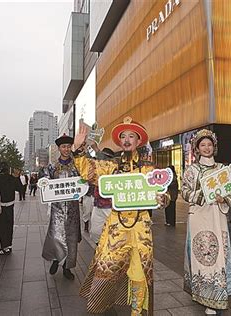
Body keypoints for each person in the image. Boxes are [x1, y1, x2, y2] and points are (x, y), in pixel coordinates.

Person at [73, 117, 169, 315]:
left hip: (141, 228)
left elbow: (165, 193)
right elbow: (88, 171)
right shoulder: (111, 167)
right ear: (119, 141)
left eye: (131, 136)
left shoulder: (148, 169)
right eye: (123, 136)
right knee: (107, 266)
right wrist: (77, 149)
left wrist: (163, 199)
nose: (126, 140)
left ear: (138, 141)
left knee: (140, 271)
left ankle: (136, 310)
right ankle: (101, 303)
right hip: (116, 228)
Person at [181, 129, 231, 315]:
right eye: (202, 145)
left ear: (214, 147)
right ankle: (203, 294)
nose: (206, 148)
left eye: (209, 144)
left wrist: (224, 199)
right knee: (202, 255)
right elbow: (185, 192)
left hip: (218, 216)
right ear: (197, 148)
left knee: (219, 254)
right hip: (199, 217)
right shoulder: (192, 170)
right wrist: (204, 194)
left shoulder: (223, 169)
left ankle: (217, 295)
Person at [40, 135, 81, 280]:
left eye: (69, 146)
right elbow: (44, 182)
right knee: (56, 235)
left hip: (73, 208)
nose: (66, 149)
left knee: (71, 238)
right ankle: (56, 260)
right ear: (59, 149)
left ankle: (67, 267)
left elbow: (83, 183)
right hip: (57, 208)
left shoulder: (77, 165)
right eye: (63, 147)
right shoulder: (52, 167)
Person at [0, 161, 21, 255]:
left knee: (1, 228)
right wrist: (17, 178)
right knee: (9, 226)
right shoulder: (11, 178)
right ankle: (8, 246)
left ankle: (3, 247)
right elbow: (20, 188)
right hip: (10, 205)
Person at [89, 148, 115, 244]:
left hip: (111, 206)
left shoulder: (114, 169)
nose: (102, 159)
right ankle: (99, 248)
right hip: (98, 204)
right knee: (95, 232)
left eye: (105, 158)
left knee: (113, 232)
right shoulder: (97, 169)